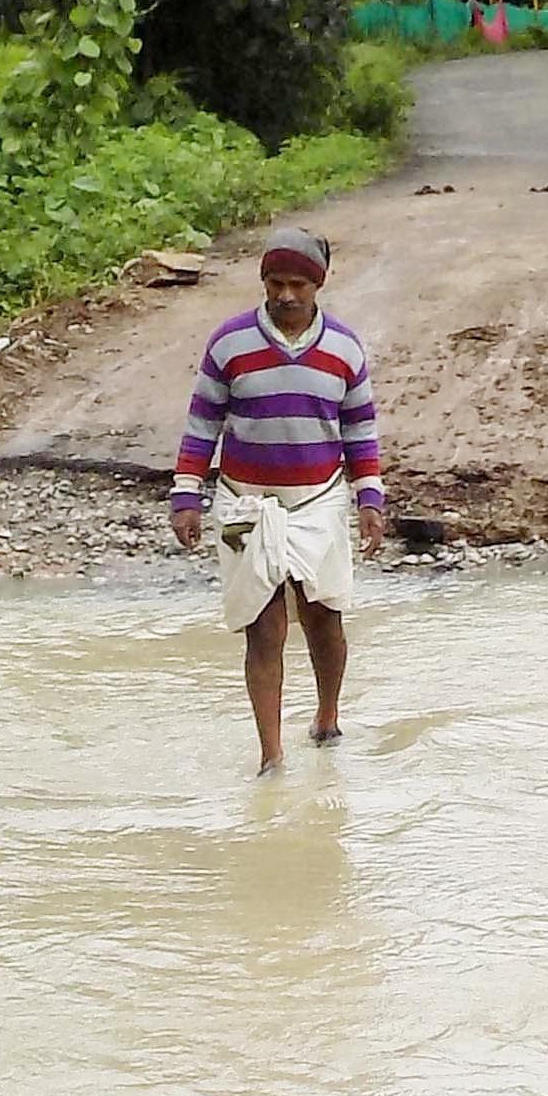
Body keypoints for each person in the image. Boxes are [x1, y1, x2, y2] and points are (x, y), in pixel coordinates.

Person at [169, 226, 388, 772]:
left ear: (318, 284)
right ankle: (271, 755)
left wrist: (370, 499)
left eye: (296, 284)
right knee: (262, 626)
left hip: (318, 501)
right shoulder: (229, 343)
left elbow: (360, 430)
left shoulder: (344, 348)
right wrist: (187, 494)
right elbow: (203, 425)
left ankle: (327, 716)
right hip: (246, 502)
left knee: (324, 617)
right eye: (274, 282)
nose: (285, 294)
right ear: (262, 282)